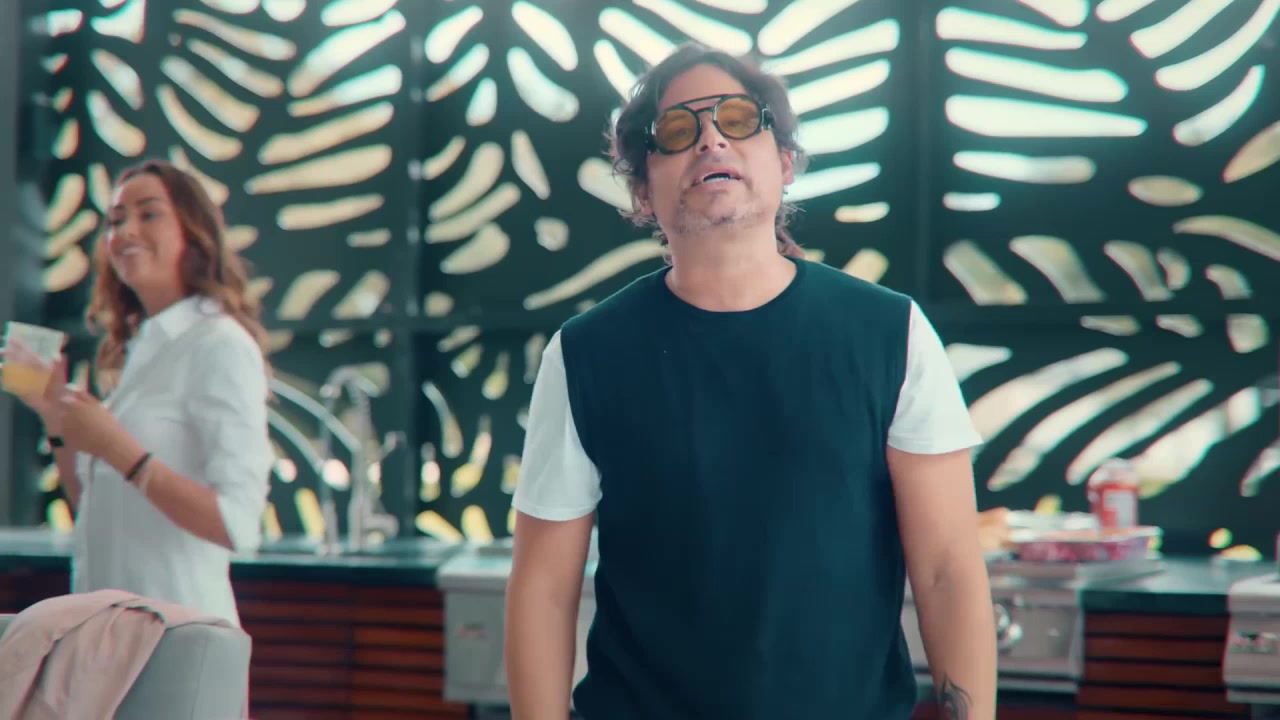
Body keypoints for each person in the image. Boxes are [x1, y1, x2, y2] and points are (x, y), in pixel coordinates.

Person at [505, 43, 996, 720]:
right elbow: (542, 590)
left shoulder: (893, 334)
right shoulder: (585, 353)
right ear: (643, 189)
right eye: (677, 130)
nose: (711, 139)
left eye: (737, 119)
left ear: (785, 162)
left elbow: (946, 572)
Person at [0, 159, 274, 627]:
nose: (125, 231)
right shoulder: (144, 348)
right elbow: (92, 507)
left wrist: (116, 447)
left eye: (149, 214)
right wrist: (53, 414)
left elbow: (237, 524)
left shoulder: (219, 345)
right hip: (109, 636)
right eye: (115, 220)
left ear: (193, 233)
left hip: (178, 637)